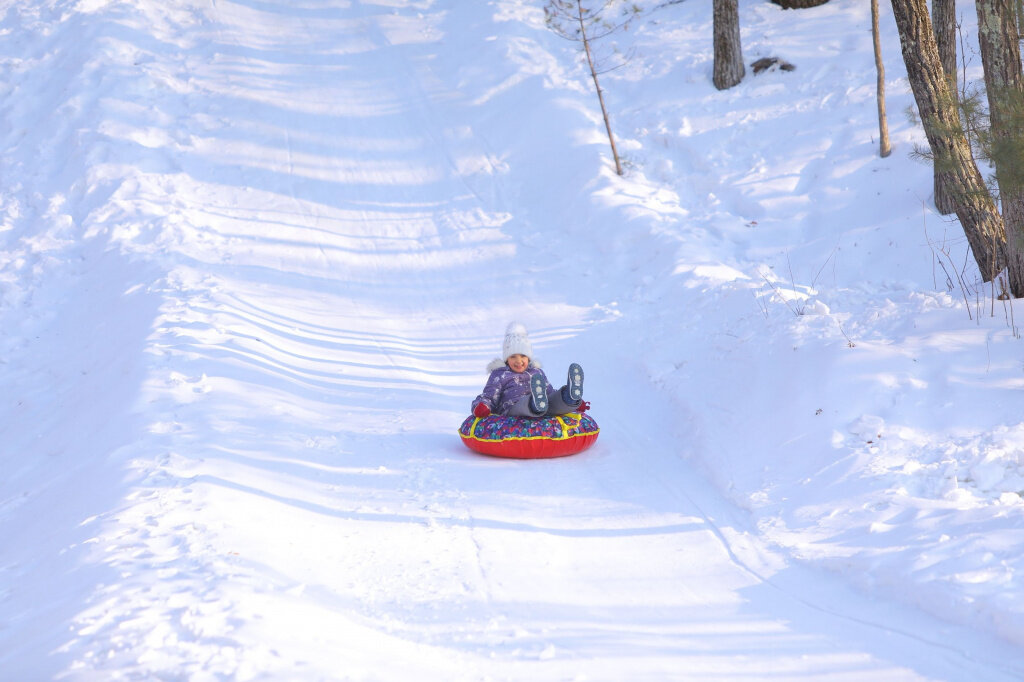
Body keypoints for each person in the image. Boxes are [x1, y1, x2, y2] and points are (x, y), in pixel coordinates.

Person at [471, 322, 585, 418]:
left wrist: (574, 404)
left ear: (529, 357)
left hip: (544, 406)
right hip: (514, 409)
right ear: (506, 359)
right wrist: (482, 406)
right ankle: (536, 402)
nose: (518, 361)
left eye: (523, 356)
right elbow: (489, 396)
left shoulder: (536, 372)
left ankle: (570, 397)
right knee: (524, 404)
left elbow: (549, 392)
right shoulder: (500, 375)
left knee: (553, 400)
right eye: (513, 356)